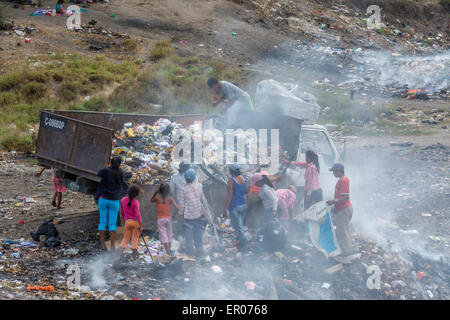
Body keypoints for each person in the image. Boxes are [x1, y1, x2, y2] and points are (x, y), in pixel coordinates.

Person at [96, 156, 127, 251]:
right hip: (114, 201)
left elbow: (98, 174)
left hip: (103, 199)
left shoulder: (105, 170)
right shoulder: (120, 172)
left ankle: (102, 245)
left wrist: (107, 166)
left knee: (102, 222)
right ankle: (112, 246)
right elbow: (123, 184)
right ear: (120, 164)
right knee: (112, 224)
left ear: (110, 163)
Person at [178, 169, 206, 258]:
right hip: (198, 214)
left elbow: (181, 205)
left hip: (188, 217)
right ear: (194, 178)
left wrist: (180, 215)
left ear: (185, 179)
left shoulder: (182, 189)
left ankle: (190, 253)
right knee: (198, 233)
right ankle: (199, 251)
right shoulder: (199, 186)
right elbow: (202, 199)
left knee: (188, 235)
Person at [327, 163, 354, 256]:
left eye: (334, 171)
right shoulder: (342, 180)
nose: (333, 173)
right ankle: (348, 249)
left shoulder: (343, 180)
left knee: (342, 231)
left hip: (344, 209)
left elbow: (346, 197)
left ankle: (347, 252)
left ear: (338, 171)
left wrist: (333, 201)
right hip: (343, 209)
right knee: (344, 230)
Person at [223, 164, 249, 250]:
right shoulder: (243, 179)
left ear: (231, 172)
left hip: (235, 207)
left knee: (239, 228)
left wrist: (225, 209)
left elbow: (229, 196)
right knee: (240, 226)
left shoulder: (231, 181)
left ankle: (244, 246)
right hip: (243, 205)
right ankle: (240, 243)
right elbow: (246, 191)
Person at [151, 183, 178, 256]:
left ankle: (168, 253)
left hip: (160, 219)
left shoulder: (157, 199)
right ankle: (169, 250)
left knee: (164, 236)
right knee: (169, 234)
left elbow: (151, 200)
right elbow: (177, 207)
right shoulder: (170, 199)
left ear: (160, 191)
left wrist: (156, 192)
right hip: (169, 218)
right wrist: (174, 215)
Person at [117, 185, 142, 261]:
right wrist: (140, 225)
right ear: (136, 194)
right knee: (135, 240)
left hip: (127, 222)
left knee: (125, 240)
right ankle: (134, 257)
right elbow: (138, 214)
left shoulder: (123, 200)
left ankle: (118, 257)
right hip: (135, 223)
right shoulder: (136, 202)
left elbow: (121, 212)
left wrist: (125, 220)